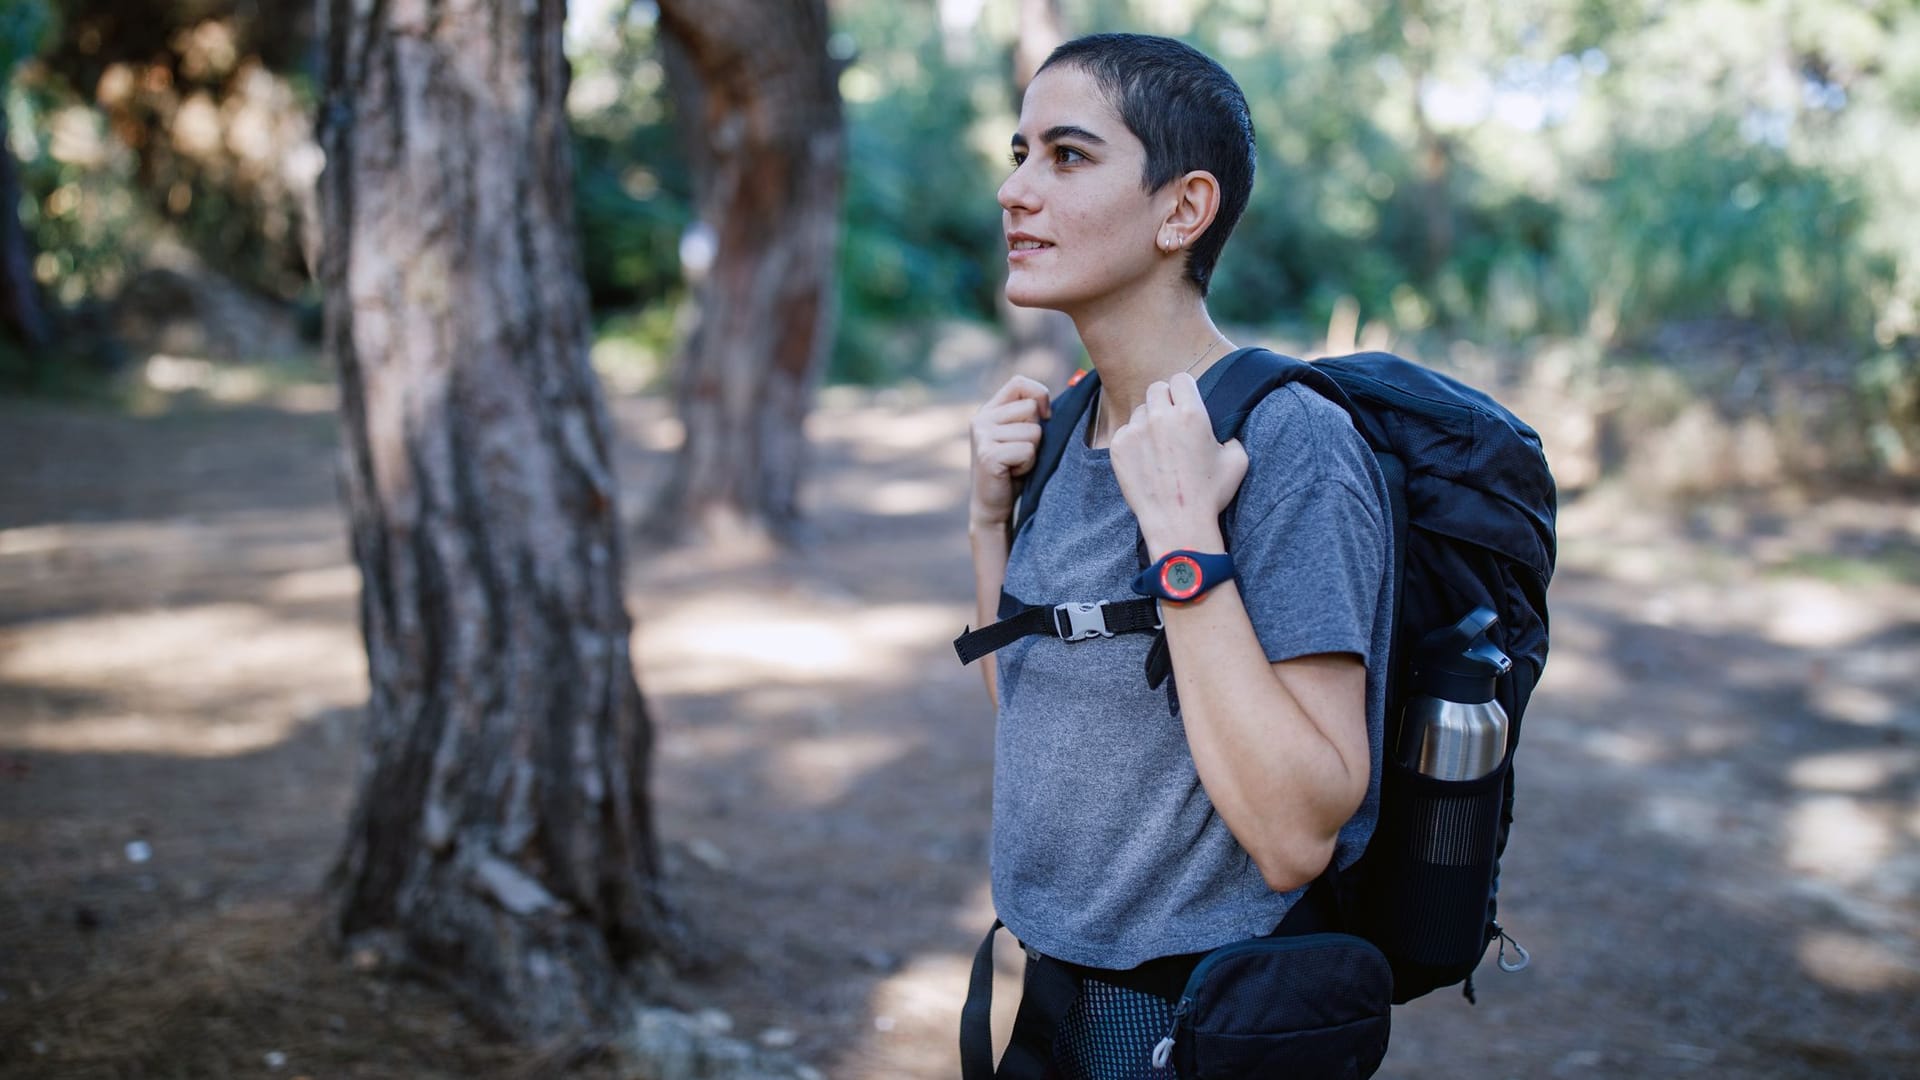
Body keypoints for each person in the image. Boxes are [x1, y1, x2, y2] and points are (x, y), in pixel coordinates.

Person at [964, 32, 1395, 1078]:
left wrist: (1186, 545)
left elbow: (1299, 835)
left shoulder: (1287, 444)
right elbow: (1040, 718)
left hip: (1190, 1016)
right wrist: (987, 519)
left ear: (1183, 210)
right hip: (1054, 989)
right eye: (1019, 154)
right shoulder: (1072, 426)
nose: (1017, 192)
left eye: (1067, 156)